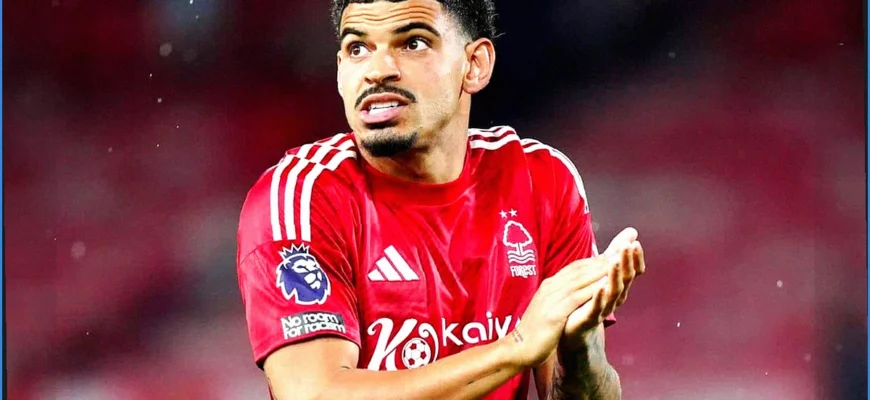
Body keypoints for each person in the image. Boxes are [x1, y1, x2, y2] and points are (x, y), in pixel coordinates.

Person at [235, 0, 646, 399]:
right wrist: (514, 347)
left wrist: (579, 348)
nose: (377, 70)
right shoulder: (303, 197)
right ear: (341, 70)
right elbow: (314, 394)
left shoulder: (541, 180)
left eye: (412, 43)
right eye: (358, 48)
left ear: (475, 64)